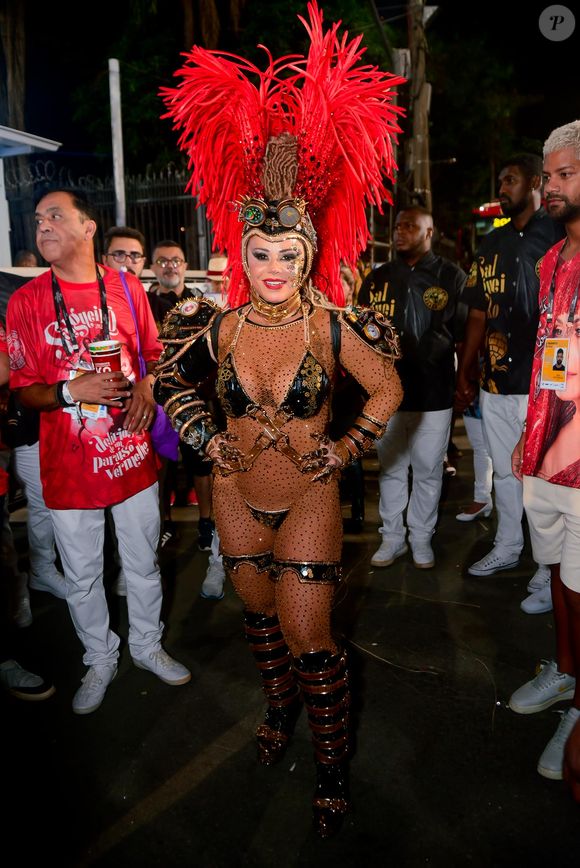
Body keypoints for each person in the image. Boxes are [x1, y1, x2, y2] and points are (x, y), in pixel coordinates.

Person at [154, 2, 404, 838]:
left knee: (309, 629)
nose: (269, 267)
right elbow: (169, 381)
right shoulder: (217, 327)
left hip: (306, 495)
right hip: (233, 495)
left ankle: (331, 766)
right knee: (260, 621)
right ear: (244, 250)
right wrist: (205, 436)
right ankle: (277, 714)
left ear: (308, 257)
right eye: (258, 254)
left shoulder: (334, 325)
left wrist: (346, 446)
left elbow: (390, 391)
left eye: (285, 256)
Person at [6, 188, 191, 715]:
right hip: (67, 468)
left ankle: (148, 646)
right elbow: (23, 391)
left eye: (55, 216)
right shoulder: (26, 301)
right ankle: (100, 657)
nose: (42, 226)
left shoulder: (127, 288)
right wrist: (70, 390)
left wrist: (149, 388)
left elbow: (154, 357)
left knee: (143, 565)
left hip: (131, 458)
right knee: (83, 576)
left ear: (88, 229)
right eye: (38, 219)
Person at [456, 154, 563, 613]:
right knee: (505, 471)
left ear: (536, 184)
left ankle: (546, 568)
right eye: (500, 180)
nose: (503, 187)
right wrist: (466, 366)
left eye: (511, 180)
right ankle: (507, 545)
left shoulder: (558, 234)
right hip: (496, 384)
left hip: (542, 382)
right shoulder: (492, 242)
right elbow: (478, 310)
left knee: (541, 478)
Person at [509, 120, 580, 796]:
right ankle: (565, 675)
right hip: (547, 454)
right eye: (547, 175)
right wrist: (528, 434)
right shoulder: (551, 260)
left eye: (564, 175)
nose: (548, 185)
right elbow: (548, 358)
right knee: (558, 573)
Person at [358, 207, 468, 569]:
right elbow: (361, 337)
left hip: (433, 394)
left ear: (429, 231)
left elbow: (466, 335)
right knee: (390, 468)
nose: (399, 231)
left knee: (427, 470)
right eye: (397, 226)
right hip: (386, 395)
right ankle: (393, 538)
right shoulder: (376, 279)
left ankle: (421, 537)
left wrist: (465, 380)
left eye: (410, 226)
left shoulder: (451, 276)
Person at [148, 240, 214, 549]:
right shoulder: (142, 303)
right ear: (152, 268)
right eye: (162, 261)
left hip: (194, 397)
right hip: (157, 400)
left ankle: (206, 523)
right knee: (160, 468)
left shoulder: (200, 304)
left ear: (186, 266)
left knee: (200, 462)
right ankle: (164, 522)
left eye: (176, 260)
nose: (169, 265)